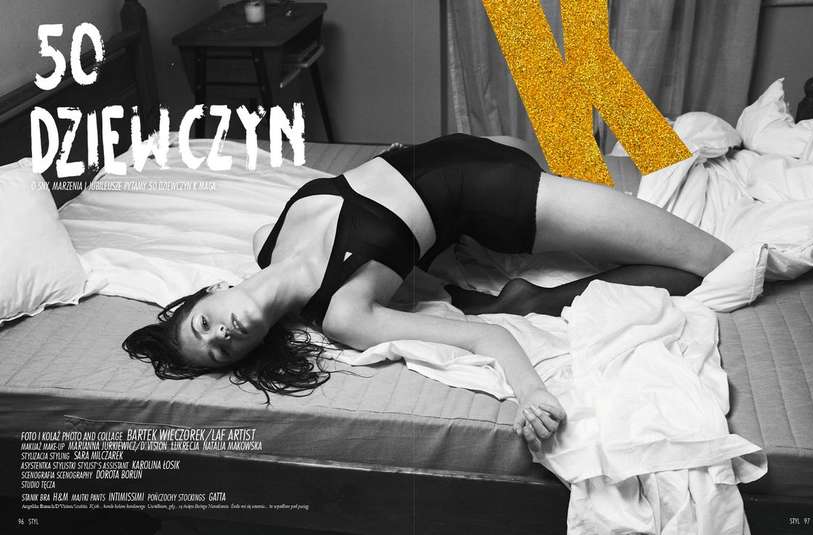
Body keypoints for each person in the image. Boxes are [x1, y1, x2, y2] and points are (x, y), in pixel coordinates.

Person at [123, 133, 731, 452]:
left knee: (522, 144)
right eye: (222, 351)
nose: (223, 335)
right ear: (250, 351)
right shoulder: (343, 315)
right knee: (715, 264)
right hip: (495, 196)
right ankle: (533, 298)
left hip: (456, 146)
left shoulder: (267, 242)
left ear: (212, 293)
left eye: (204, 324)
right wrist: (532, 395)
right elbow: (485, 339)